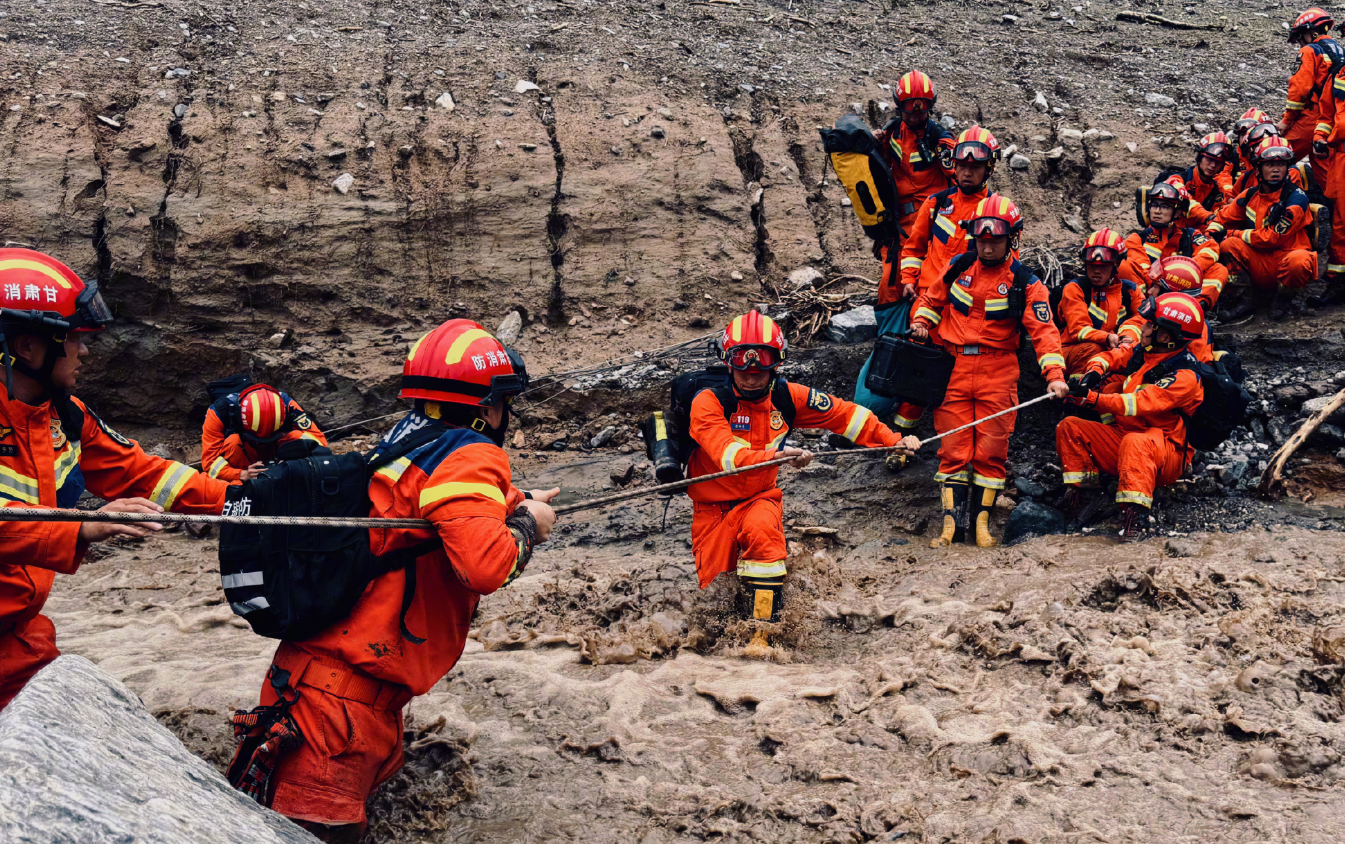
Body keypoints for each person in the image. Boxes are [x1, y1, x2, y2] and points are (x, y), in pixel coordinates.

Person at [245, 319, 558, 842]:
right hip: (339, 717)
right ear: (486, 406)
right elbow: (486, 566)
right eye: (504, 402)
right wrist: (528, 525)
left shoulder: (401, 444)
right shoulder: (473, 453)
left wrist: (515, 502)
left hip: (311, 689)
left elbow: (431, 509)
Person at [0, 248, 227, 710]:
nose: (84, 351)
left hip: (17, 639)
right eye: (74, 339)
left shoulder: (62, 414)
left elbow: (144, 474)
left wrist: (245, 497)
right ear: (28, 347)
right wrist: (81, 525)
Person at [688, 311, 918, 649]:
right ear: (729, 365)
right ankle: (730, 629)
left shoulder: (787, 397)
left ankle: (762, 638)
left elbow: (846, 415)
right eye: (743, 371)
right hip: (711, 509)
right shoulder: (708, 402)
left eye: (760, 371)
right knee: (717, 591)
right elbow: (728, 456)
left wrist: (892, 439)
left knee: (764, 542)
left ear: (775, 366)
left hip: (759, 497)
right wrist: (778, 457)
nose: (751, 379)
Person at [908, 197, 1069, 548]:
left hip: (998, 369)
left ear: (1011, 240)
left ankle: (982, 528)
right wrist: (921, 322)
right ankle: (950, 528)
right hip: (953, 367)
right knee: (953, 450)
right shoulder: (958, 266)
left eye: (995, 241)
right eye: (982, 241)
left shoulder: (1027, 283)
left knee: (990, 452)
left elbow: (1045, 332)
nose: (987, 246)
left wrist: (1055, 374)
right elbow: (931, 300)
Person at [855, 126, 1003, 443]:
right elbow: (913, 249)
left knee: (956, 383)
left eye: (974, 166)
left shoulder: (997, 213)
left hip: (966, 315)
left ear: (988, 168)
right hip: (926, 306)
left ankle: (953, 445)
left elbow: (1005, 268)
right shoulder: (937, 204)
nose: (966, 172)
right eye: (961, 165)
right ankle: (901, 440)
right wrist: (909, 281)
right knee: (914, 374)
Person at [1057, 292, 1207, 542]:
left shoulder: (1185, 376)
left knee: (1134, 442)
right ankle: (1084, 496)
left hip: (1165, 452)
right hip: (1128, 437)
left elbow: (1138, 403)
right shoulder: (1145, 353)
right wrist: (1094, 371)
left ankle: (1134, 522)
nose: (1143, 327)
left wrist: (1092, 399)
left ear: (1166, 336)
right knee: (1070, 427)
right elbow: (1111, 356)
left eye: (1149, 324)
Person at [870, 71, 956, 326]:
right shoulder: (893, 133)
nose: (916, 112)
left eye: (923, 106)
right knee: (891, 281)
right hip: (899, 223)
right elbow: (880, 167)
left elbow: (964, 177)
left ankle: (928, 332)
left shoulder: (940, 140)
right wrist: (874, 143)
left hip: (931, 223)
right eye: (910, 106)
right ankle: (890, 336)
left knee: (929, 279)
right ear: (899, 105)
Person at [1209, 136, 1318, 318]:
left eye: (1281, 164)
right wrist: (1210, 232)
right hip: (1258, 262)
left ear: (1287, 167)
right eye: (1269, 164)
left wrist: (1230, 233)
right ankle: (1244, 300)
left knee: (1300, 261)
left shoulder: (1296, 198)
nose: (1276, 169)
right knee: (1228, 246)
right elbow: (1221, 218)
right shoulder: (1249, 195)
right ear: (1259, 167)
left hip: (1287, 259)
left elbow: (1272, 238)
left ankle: (1283, 300)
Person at [1077, 256, 1217, 389]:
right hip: (1149, 369)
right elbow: (1137, 322)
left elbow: (1174, 369)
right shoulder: (1164, 316)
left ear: (1169, 292)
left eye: (1155, 286)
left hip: (1162, 387)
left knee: (1108, 387)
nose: (1150, 291)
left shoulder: (1191, 330)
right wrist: (1126, 339)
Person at [1118, 181, 1229, 310]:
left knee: (1219, 269)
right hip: (1151, 295)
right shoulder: (1137, 239)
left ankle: (1197, 308)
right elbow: (1144, 271)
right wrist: (1158, 285)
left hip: (1183, 294)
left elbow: (1211, 248)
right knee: (1124, 265)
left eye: (1164, 206)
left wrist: (1187, 269)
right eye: (1154, 205)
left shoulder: (1189, 235)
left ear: (1176, 213)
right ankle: (1142, 310)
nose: (1157, 211)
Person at [1057, 229, 1143, 380]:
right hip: (1071, 350)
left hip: (1111, 349)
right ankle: (1076, 396)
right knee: (1094, 349)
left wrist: (1127, 338)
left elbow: (1142, 319)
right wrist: (1108, 338)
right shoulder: (1075, 288)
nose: (1096, 271)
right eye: (1092, 265)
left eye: (1103, 266)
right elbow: (1079, 329)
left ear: (1115, 265)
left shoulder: (1130, 291)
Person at [200, 383, 328, 482]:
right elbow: (210, 463)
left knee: (298, 437)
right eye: (257, 439)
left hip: (278, 453)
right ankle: (245, 488)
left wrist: (295, 461)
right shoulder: (218, 413)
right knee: (233, 443)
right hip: (242, 461)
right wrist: (241, 474)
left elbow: (320, 442)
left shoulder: (287, 405)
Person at [1279, 7, 1342, 172]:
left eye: (1299, 38)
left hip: (1313, 118)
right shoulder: (1341, 51)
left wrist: (1286, 121)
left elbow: (1299, 90)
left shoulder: (1309, 51)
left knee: (1276, 155)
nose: (1299, 43)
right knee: (1326, 168)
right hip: (1334, 118)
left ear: (1311, 32)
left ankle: (1248, 192)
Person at [1177, 132, 1236, 213]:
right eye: (1209, 159)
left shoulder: (1218, 191)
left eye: (1218, 162)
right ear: (1199, 157)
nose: (1213, 165)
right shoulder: (1179, 179)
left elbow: (1218, 214)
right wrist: (1206, 216)